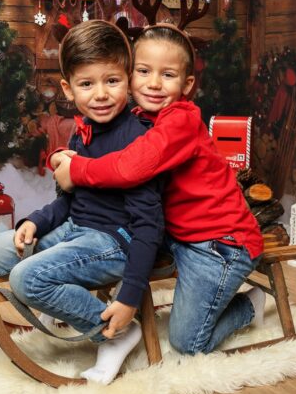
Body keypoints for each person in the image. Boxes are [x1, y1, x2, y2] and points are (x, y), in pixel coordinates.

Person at [51, 24, 265, 355]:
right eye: (143, 71)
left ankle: (249, 305)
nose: (153, 83)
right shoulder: (140, 118)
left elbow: (130, 167)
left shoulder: (180, 121)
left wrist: (76, 170)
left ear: (187, 84)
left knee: (187, 343)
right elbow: (109, 153)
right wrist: (64, 156)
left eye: (167, 75)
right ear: (129, 73)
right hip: (179, 237)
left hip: (220, 242)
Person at [0, 20, 164, 385]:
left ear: (127, 78)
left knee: (25, 279)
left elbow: (149, 227)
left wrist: (128, 298)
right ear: (68, 87)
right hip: (75, 229)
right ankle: (63, 296)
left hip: (115, 242)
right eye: (86, 84)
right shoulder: (83, 133)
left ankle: (114, 332)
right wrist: (34, 222)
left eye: (112, 81)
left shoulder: (139, 139)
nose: (101, 94)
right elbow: (67, 201)